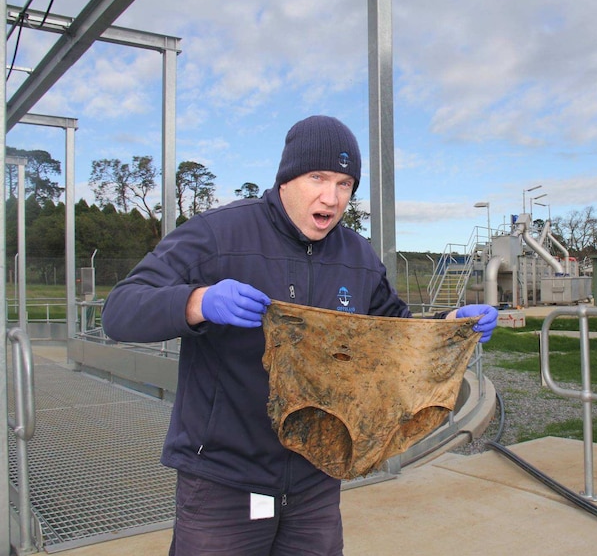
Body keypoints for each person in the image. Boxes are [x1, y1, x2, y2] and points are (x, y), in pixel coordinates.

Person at [101, 115, 498, 556]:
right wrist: (198, 302)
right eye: (318, 177)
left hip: (317, 478)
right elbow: (119, 311)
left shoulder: (357, 256)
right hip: (224, 481)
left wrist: (449, 324)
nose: (331, 197)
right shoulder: (219, 234)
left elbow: (393, 335)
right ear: (287, 178)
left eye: (345, 184)